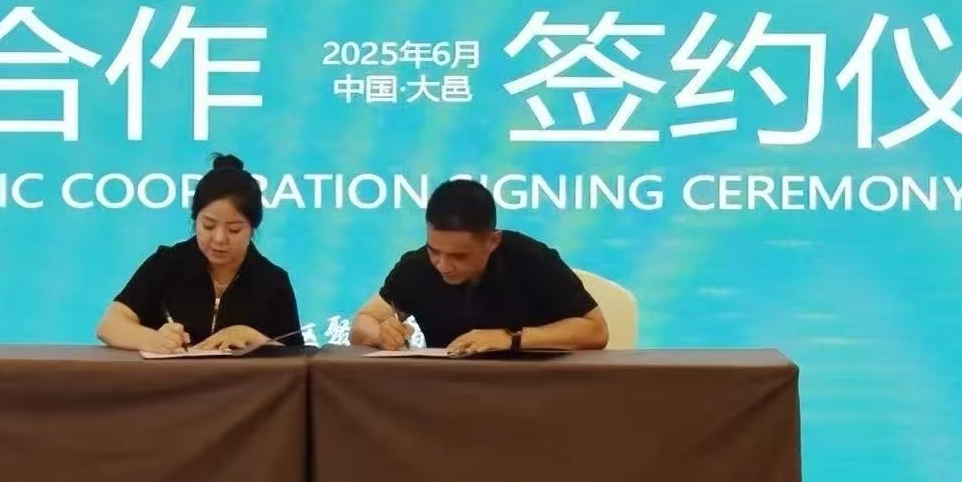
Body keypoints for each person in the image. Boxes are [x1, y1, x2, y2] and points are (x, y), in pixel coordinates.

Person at [350, 179, 608, 354]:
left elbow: (595, 331)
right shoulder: (416, 266)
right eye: (434, 251)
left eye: (459, 256)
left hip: (533, 390)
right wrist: (380, 334)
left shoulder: (531, 258)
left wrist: (511, 338)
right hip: (446, 392)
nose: (443, 266)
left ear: (492, 241)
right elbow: (363, 322)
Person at [96, 154, 304, 354]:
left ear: (253, 228)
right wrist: (153, 340)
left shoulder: (273, 281)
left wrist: (252, 337)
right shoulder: (167, 264)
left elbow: (297, 358)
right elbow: (110, 325)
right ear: (195, 219)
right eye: (208, 226)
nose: (219, 238)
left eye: (234, 230)